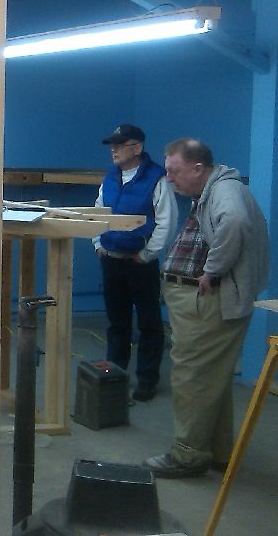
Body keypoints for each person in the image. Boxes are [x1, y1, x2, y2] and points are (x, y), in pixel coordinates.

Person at [143, 138, 269, 479]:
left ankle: (187, 455)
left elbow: (235, 222)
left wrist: (212, 270)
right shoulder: (214, 189)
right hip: (197, 301)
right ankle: (216, 451)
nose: (169, 178)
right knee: (212, 378)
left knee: (193, 377)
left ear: (198, 168)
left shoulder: (225, 190)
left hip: (206, 302)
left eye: (174, 171)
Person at [93, 124, 177, 401]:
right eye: (112, 145)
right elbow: (98, 212)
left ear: (137, 147)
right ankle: (114, 375)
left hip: (140, 264)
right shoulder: (111, 177)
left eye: (120, 145)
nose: (113, 150)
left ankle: (147, 380)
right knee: (117, 323)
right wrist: (98, 243)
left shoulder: (156, 179)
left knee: (149, 323)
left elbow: (166, 222)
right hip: (111, 261)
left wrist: (146, 254)